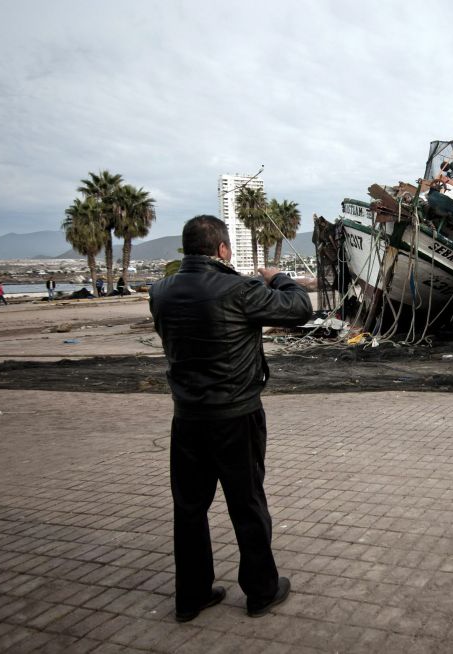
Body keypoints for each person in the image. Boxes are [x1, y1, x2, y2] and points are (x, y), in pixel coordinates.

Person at [149, 215, 312, 623]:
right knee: (248, 504)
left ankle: (191, 596)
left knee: (189, 509)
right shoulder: (239, 289)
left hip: (186, 418)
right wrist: (278, 278)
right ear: (222, 250)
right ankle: (260, 591)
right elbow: (300, 309)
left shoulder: (160, 292)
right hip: (235, 416)